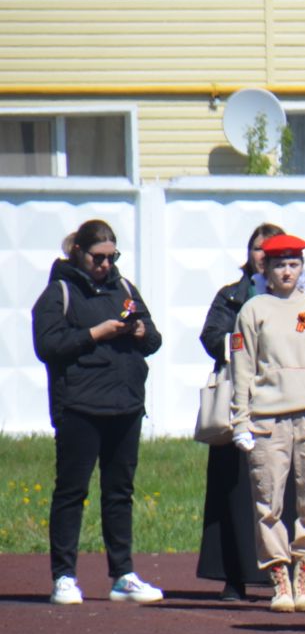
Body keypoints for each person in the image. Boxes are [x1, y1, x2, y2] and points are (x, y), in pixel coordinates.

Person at [32, 220, 165, 606]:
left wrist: (139, 331)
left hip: (125, 404)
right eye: (99, 257)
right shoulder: (59, 292)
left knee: (119, 492)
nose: (106, 265)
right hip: (79, 406)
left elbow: (154, 338)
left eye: (112, 257)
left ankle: (122, 574)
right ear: (79, 252)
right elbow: (48, 344)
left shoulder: (124, 289)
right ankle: (64, 576)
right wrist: (96, 333)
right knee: (72, 491)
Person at [230, 234, 305, 615]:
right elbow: (242, 368)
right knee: (268, 501)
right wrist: (240, 419)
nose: (287, 272)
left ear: (302, 268)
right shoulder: (254, 310)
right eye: (279, 265)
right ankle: (279, 577)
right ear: (266, 269)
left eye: (293, 264)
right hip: (268, 419)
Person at [197, 224, 284, 600]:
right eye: (258, 249)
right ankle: (233, 574)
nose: (263, 256)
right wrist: (242, 349)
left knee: (283, 490)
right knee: (232, 489)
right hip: (239, 400)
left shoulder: (299, 297)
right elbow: (211, 335)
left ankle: (282, 572)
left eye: (271, 250)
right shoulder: (231, 296)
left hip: (283, 401)